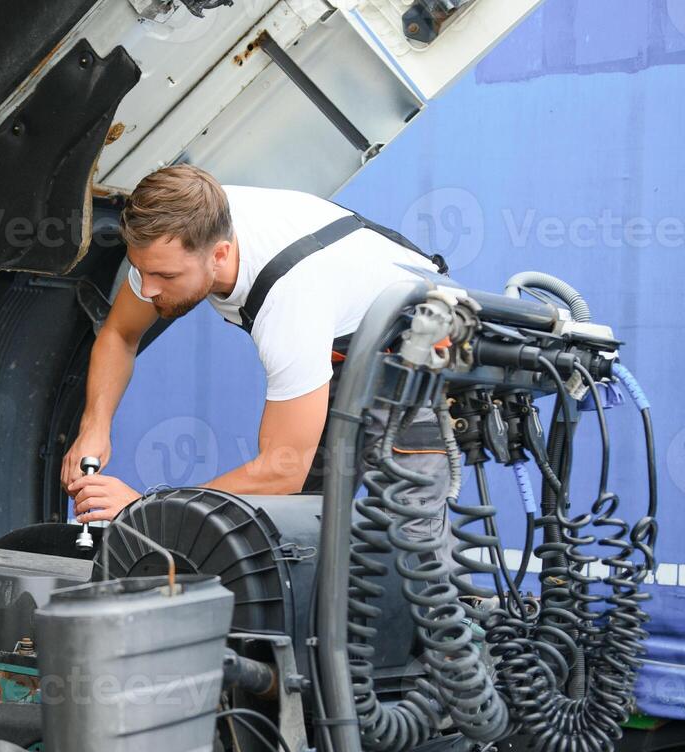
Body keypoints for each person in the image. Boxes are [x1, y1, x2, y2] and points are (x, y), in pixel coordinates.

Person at [62, 164, 451, 532]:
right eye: (140, 270)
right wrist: (93, 428)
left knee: (410, 551)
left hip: (411, 348)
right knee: (296, 529)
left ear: (219, 254)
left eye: (165, 276)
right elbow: (119, 334)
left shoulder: (291, 303)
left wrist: (146, 507)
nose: (146, 290)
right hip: (333, 344)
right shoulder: (185, 222)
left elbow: (282, 470)